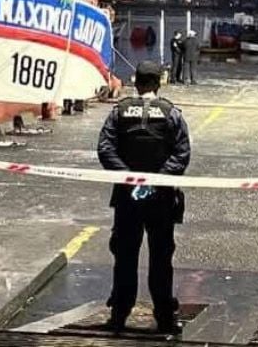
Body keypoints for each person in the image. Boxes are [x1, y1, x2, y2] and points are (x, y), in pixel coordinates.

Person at [97, 61, 191, 334]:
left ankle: (119, 315)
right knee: (161, 258)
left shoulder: (119, 112)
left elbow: (106, 148)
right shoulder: (172, 113)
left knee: (125, 256)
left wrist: (129, 179)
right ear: (158, 82)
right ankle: (164, 317)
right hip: (161, 200)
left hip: (127, 199)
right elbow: (182, 154)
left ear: (136, 82)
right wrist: (156, 181)